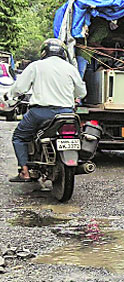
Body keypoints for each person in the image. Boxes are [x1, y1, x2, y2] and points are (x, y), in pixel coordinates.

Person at [7, 39, 86, 183]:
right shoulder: (70, 68)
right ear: (63, 53)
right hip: (66, 114)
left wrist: (10, 95)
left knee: (19, 137)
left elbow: (20, 88)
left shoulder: (36, 66)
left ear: (44, 52)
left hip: (40, 113)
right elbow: (81, 92)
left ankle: (24, 172)